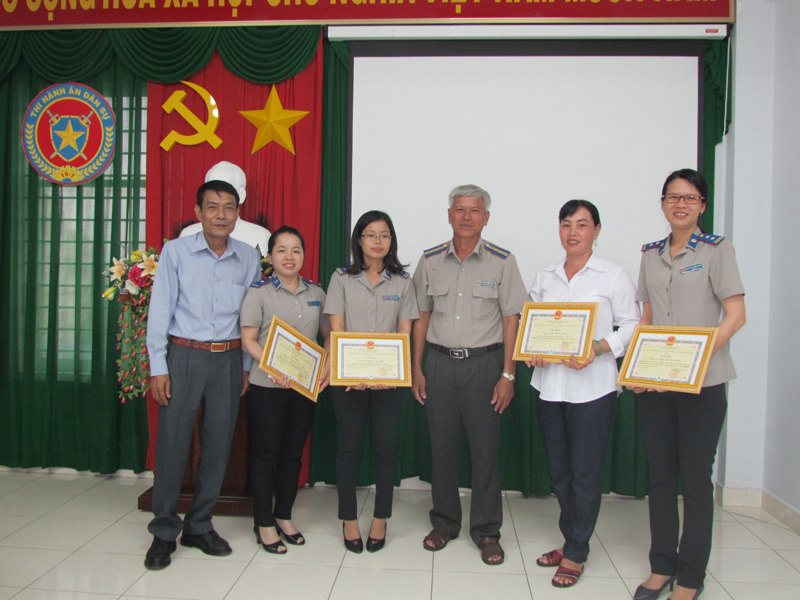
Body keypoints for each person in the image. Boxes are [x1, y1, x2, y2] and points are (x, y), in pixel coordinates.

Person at [633, 169, 746, 600]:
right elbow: (646, 319)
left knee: (696, 480)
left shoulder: (718, 250)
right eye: (672, 197)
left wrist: (694, 360)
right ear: (663, 204)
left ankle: (691, 577)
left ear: (702, 205)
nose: (680, 204)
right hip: (657, 385)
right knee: (660, 477)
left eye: (690, 198)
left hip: (704, 383)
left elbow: (736, 315)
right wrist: (639, 370)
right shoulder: (650, 255)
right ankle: (661, 566)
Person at [144, 180, 261, 569]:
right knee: (173, 444)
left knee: (218, 445)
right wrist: (159, 366)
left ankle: (199, 524)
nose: (221, 215)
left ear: (237, 213)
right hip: (184, 356)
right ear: (198, 212)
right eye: (212, 207)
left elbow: (251, 316)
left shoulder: (247, 256)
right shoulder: (175, 252)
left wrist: (245, 366)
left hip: (228, 359)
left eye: (229, 207)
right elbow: (160, 310)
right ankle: (164, 532)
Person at [526, 200, 640, 588]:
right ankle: (571, 539)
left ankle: (576, 552)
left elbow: (632, 326)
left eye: (582, 224)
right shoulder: (545, 276)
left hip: (594, 389)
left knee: (585, 474)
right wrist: (532, 349)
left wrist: (598, 347)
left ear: (596, 230)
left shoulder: (614, 276)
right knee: (560, 473)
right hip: (550, 387)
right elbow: (533, 324)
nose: (572, 232)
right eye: (566, 224)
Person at [411, 184, 527, 565]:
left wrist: (508, 375)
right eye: (459, 210)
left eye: (474, 210)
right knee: (442, 449)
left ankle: (487, 531)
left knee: (485, 452)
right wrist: (416, 367)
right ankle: (444, 522)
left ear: (486, 218)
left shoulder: (502, 262)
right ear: (449, 215)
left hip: (485, 366)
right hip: (439, 365)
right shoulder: (430, 261)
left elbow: (512, 319)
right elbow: (421, 316)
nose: (466, 217)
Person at [324, 210, 419, 553]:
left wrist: (387, 375)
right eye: (370, 234)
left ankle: (381, 517)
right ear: (359, 240)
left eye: (384, 235)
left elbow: (404, 333)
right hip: (347, 380)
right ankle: (349, 518)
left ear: (391, 241)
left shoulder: (403, 282)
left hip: (389, 382)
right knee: (349, 448)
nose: (377, 241)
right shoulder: (341, 279)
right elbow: (336, 330)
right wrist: (353, 373)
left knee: (385, 448)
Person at [240, 226, 331, 554]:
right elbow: (248, 340)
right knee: (268, 453)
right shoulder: (258, 293)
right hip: (269, 385)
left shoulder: (316, 291)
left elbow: (328, 334)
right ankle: (263, 522)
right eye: (281, 250)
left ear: (304, 255)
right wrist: (272, 365)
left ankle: (284, 515)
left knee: (293, 453)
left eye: (296, 250)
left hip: (305, 387)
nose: (289, 257)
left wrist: (328, 362)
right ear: (270, 256)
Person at [180, 161, 271, 255]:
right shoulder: (188, 233)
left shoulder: (260, 235)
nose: (220, 215)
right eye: (212, 187)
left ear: (242, 195)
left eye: (226, 188)